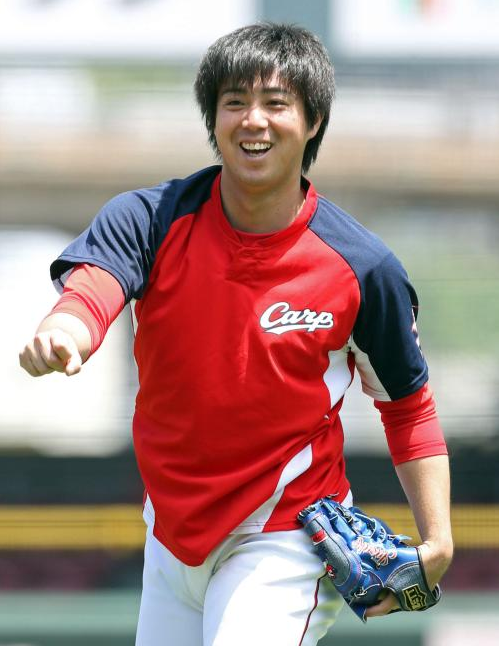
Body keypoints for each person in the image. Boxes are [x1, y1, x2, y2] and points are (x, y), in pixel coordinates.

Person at [19, 23, 453, 646]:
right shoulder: (150, 218)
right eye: (234, 102)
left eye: (276, 103)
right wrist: (66, 327)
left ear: (313, 121)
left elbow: (408, 406)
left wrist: (438, 538)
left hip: (286, 535)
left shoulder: (362, 267)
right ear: (213, 118)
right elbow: (95, 285)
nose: (253, 120)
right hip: (171, 535)